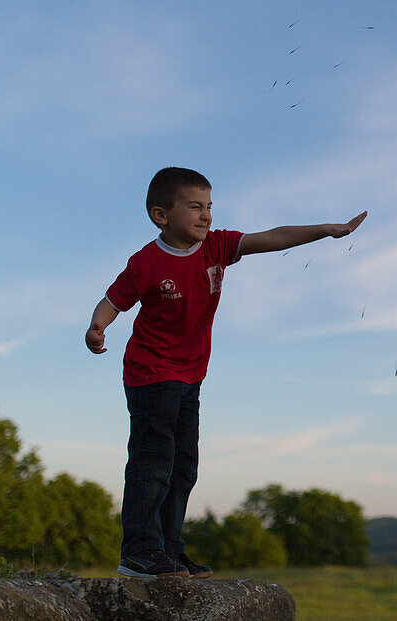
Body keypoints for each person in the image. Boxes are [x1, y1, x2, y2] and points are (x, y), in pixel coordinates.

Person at [85, 166, 366, 578]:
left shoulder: (216, 247)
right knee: (153, 461)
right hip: (150, 375)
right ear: (161, 215)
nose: (206, 216)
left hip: (190, 375)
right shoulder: (146, 262)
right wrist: (97, 328)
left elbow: (272, 237)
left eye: (210, 207)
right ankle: (139, 551)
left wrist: (326, 229)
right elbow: (112, 300)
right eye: (195, 207)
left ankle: (168, 550)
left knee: (183, 466)